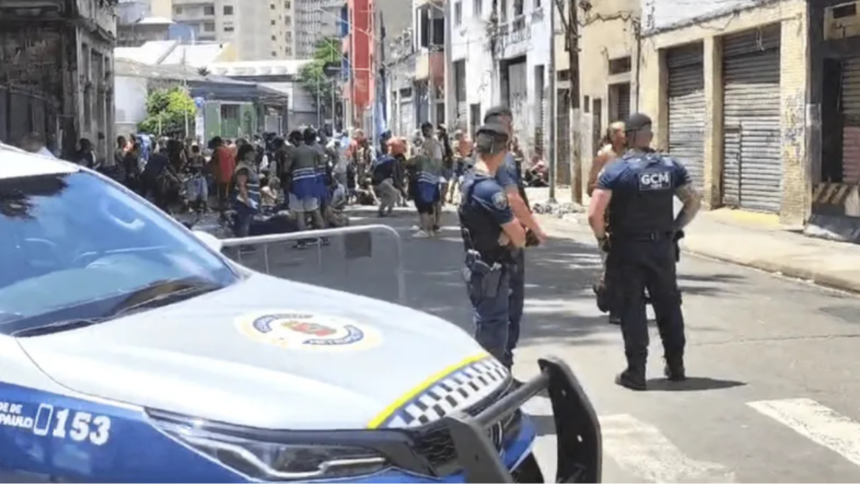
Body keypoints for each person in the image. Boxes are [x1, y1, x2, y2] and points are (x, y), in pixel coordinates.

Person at [588, 113, 702, 391]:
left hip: (627, 248)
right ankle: (676, 366)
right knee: (669, 305)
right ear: (649, 135)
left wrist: (603, 239)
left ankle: (636, 372)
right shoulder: (670, 166)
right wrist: (674, 228)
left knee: (632, 308)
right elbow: (693, 201)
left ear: (626, 136)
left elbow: (594, 214)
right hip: (661, 248)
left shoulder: (616, 170)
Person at [458, 122, 527, 369]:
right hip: (492, 269)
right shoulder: (490, 190)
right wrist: (512, 233)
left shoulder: (470, 180)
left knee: (488, 327)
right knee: (494, 335)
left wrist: (508, 233)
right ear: (503, 150)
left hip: (480, 265)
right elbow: (520, 237)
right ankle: (495, 395)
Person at [482, 105, 547, 368]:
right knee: (509, 309)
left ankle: (498, 368)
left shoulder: (481, 159)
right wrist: (536, 229)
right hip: (506, 244)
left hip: (488, 243)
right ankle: (503, 369)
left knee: (492, 311)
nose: (512, 130)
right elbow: (512, 198)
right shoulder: (504, 158)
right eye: (509, 125)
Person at [589, 121, 627, 325]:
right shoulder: (604, 156)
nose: (627, 133)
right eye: (622, 131)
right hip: (608, 219)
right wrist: (610, 189)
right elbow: (590, 187)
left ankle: (606, 290)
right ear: (613, 135)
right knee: (612, 264)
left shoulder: (635, 154)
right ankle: (615, 308)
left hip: (631, 218)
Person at [284, 127, 326, 248]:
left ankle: (302, 241)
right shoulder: (313, 150)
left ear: (295, 140)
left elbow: (286, 168)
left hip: (297, 184)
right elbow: (321, 162)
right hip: (311, 183)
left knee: (300, 213)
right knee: (315, 211)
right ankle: (324, 237)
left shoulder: (293, 151)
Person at [232, 143, 261, 245]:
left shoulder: (249, 166)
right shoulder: (242, 168)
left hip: (251, 198)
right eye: (251, 152)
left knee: (247, 221)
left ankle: (247, 243)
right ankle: (244, 244)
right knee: (244, 222)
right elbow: (241, 185)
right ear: (245, 154)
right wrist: (246, 199)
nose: (254, 154)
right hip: (243, 199)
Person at [372, 146, 399, 217]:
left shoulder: (381, 158)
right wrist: (399, 186)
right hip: (381, 181)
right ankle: (390, 211)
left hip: (375, 182)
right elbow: (394, 174)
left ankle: (381, 210)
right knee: (394, 193)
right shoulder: (393, 161)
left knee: (387, 195)